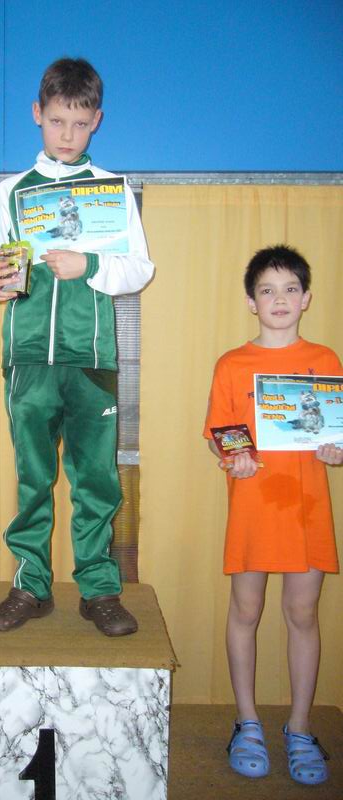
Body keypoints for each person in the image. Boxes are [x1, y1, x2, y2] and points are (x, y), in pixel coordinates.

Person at [0, 58, 154, 636]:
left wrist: (87, 264)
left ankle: (99, 589)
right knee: (33, 479)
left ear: (97, 121)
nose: (68, 135)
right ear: (36, 115)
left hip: (91, 359)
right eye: (56, 121)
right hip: (27, 360)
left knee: (97, 481)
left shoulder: (112, 190)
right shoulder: (10, 192)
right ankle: (30, 585)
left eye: (80, 123)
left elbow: (138, 269)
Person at [204, 245, 341, 785]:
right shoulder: (231, 364)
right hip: (254, 507)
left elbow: (334, 432)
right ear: (251, 302)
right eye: (267, 290)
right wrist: (233, 458)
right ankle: (248, 722)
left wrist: (336, 450)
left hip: (307, 509)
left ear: (306, 299)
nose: (279, 299)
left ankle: (300, 728)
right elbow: (220, 434)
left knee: (303, 615)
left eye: (289, 289)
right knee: (246, 610)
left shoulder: (325, 361)